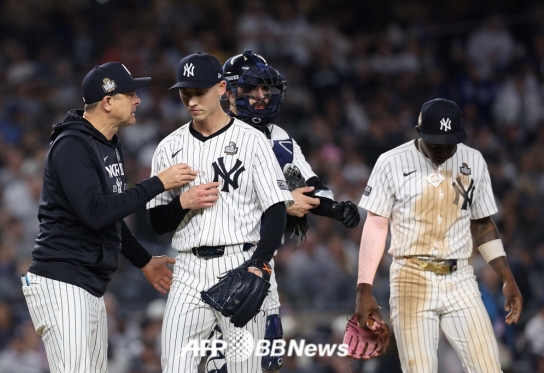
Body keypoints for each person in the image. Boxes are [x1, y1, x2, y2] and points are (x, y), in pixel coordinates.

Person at [22, 62, 198, 373]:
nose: (137, 100)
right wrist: (157, 183)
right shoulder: (72, 145)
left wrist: (143, 260)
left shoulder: (108, 145)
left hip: (86, 285)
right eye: (130, 93)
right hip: (62, 281)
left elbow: (110, 217)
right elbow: (95, 212)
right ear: (107, 101)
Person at [202, 49, 360, 373]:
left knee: (269, 362)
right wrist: (286, 201)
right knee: (225, 365)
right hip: (221, 259)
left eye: (266, 89)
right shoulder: (211, 135)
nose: (261, 96)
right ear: (228, 91)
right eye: (251, 89)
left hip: (264, 261)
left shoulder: (280, 138)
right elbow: (222, 200)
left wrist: (335, 208)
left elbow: (310, 184)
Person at [146, 52, 294, 373]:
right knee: (175, 365)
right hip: (187, 269)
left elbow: (276, 209)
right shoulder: (169, 147)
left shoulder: (252, 141)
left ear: (222, 89)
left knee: (245, 368)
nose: (191, 100)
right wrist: (182, 203)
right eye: (186, 93)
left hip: (240, 262)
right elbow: (157, 222)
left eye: (199, 92)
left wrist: (259, 263)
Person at [353, 98, 523, 372]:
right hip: (411, 278)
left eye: (449, 143)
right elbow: (375, 225)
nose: (443, 150)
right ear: (419, 132)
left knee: (490, 367)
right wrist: (364, 288)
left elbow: (482, 224)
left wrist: (507, 278)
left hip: (461, 279)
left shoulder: (473, 160)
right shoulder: (391, 162)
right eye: (436, 143)